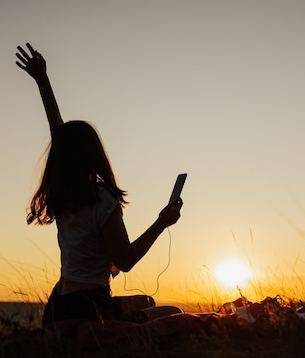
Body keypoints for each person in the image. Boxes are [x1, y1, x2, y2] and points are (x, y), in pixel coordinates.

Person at [15, 43, 183, 326]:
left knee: (147, 302)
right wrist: (161, 222)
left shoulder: (63, 195)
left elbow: (60, 136)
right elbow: (126, 260)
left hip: (59, 307)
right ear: (94, 154)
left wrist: (43, 80)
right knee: (172, 313)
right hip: (91, 309)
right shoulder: (102, 198)